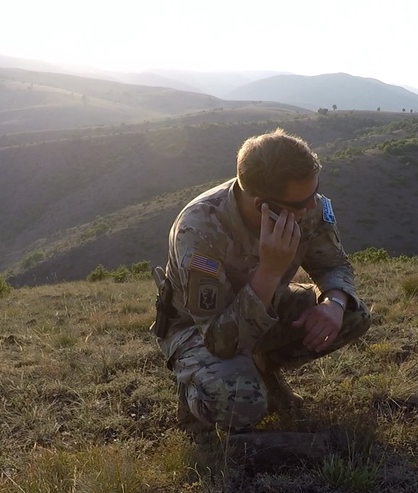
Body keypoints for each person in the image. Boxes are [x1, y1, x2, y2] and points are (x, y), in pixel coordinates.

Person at [152, 128, 371, 432]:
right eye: (302, 201)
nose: (312, 206)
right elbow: (219, 338)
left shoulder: (306, 207)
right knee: (243, 402)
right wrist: (269, 270)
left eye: (315, 192)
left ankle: (262, 366)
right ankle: (194, 389)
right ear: (262, 206)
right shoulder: (199, 230)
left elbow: (333, 263)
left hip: (264, 306)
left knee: (353, 314)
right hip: (197, 328)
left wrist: (333, 303)